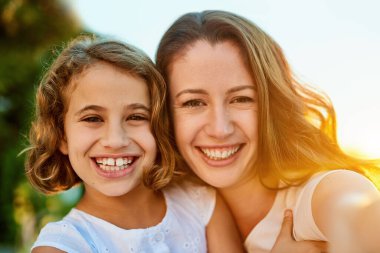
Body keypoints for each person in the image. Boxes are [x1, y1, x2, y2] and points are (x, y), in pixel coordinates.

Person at [156, 10, 380, 253]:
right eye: (193, 103)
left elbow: (353, 211)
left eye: (241, 99)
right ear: (165, 112)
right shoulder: (168, 212)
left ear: (271, 104)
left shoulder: (313, 196)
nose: (220, 129)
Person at [25, 35, 245, 252]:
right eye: (93, 119)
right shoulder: (63, 246)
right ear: (62, 136)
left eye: (136, 117)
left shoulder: (200, 203)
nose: (115, 140)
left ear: (159, 126)